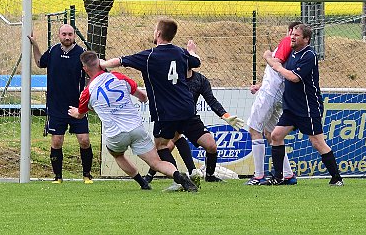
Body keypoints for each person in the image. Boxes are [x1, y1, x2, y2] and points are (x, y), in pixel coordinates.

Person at [100, 18, 242, 187]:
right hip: (186, 109)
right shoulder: (180, 52)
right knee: (204, 143)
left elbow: (121, 61)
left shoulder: (149, 56)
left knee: (161, 146)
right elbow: (197, 62)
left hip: (165, 113)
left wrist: (103, 63)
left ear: (158, 33)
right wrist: (191, 51)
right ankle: (191, 175)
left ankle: (181, 179)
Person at [68, 51, 198, 192]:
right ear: (100, 62)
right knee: (155, 162)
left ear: (85, 68)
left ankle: (143, 183)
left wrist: (75, 112)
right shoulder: (119, 77)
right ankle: (178, 175)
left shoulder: (87, 92)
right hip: (136, 129)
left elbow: (80, 114)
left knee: (117, 154)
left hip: (116, 135)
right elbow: (142, 96)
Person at [263, 23, 343, 186]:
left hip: (307, 108)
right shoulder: (292, 53)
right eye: (291, 34)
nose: (292, 37)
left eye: (296, 35)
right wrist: (269, 63)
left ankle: (336, 178)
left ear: (306, 39)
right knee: (276, 136)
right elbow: (282, 74)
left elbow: (294, 77)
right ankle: (279, 177)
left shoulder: (309, 55)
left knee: (317, 143)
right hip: (291, 108)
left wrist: (276, 65)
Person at [143, 67, 244, 188]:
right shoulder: (172, 77)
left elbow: (211, 100)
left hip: (191, 119)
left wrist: (225, 115)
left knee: (211, 145)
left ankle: (209, 175)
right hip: (173, 117)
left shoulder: (200, 80)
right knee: (167, 146)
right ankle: (154, 176)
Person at [28, 24, 93, 184]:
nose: (67, 37)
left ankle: (87, 175)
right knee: (57, 141)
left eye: (70, 34)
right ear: (59, 35)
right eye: (64, 34)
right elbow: (39, 62)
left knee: (84, 140)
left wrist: (86, 99)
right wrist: (35, 44)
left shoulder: (81, 54)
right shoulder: (53, 51)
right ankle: (58, 177)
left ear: (74, 35)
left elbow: (92, 74)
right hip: (56, 106)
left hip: (77, 107)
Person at [245, 22, 301, 186]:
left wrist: (267, 55)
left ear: (291, 31)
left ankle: (259, 175)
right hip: (277, 94)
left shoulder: (286, 40)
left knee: (254, 129)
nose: (292, 36)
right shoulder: (296, 50)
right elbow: (280, 73)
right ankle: (288, 174)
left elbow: (276, 63)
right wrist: (261, 85)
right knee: (271, 134)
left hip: (270, 94)